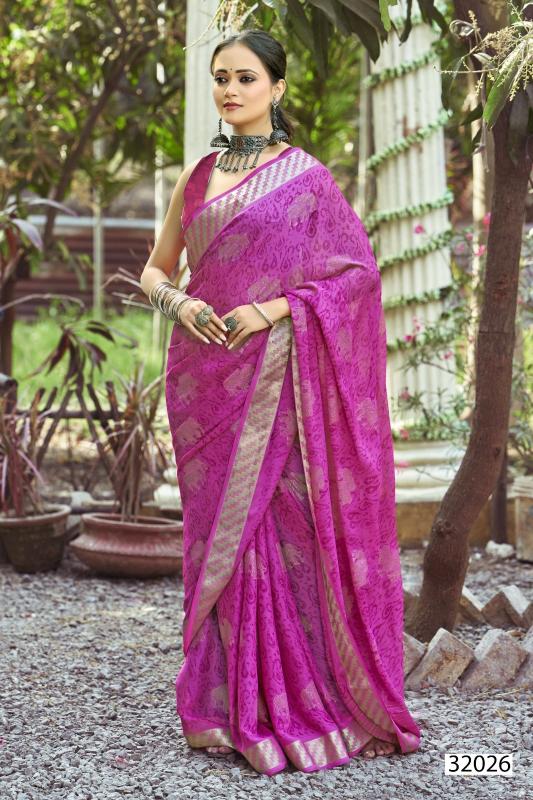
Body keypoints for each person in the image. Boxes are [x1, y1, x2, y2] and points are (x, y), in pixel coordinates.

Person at [140, 28, 421, 776]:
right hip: (203, 379)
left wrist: (271, 312)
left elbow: (355, 277)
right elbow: (155, 271)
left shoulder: (307, 180)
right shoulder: (196, 176)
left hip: (280, 378)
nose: (230, 90)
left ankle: (298, 696)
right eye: (221, 77)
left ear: (277, 87)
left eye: (246, 77)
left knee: (285, 525)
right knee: (216, 537)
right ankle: (225, 700)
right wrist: (180, 304)